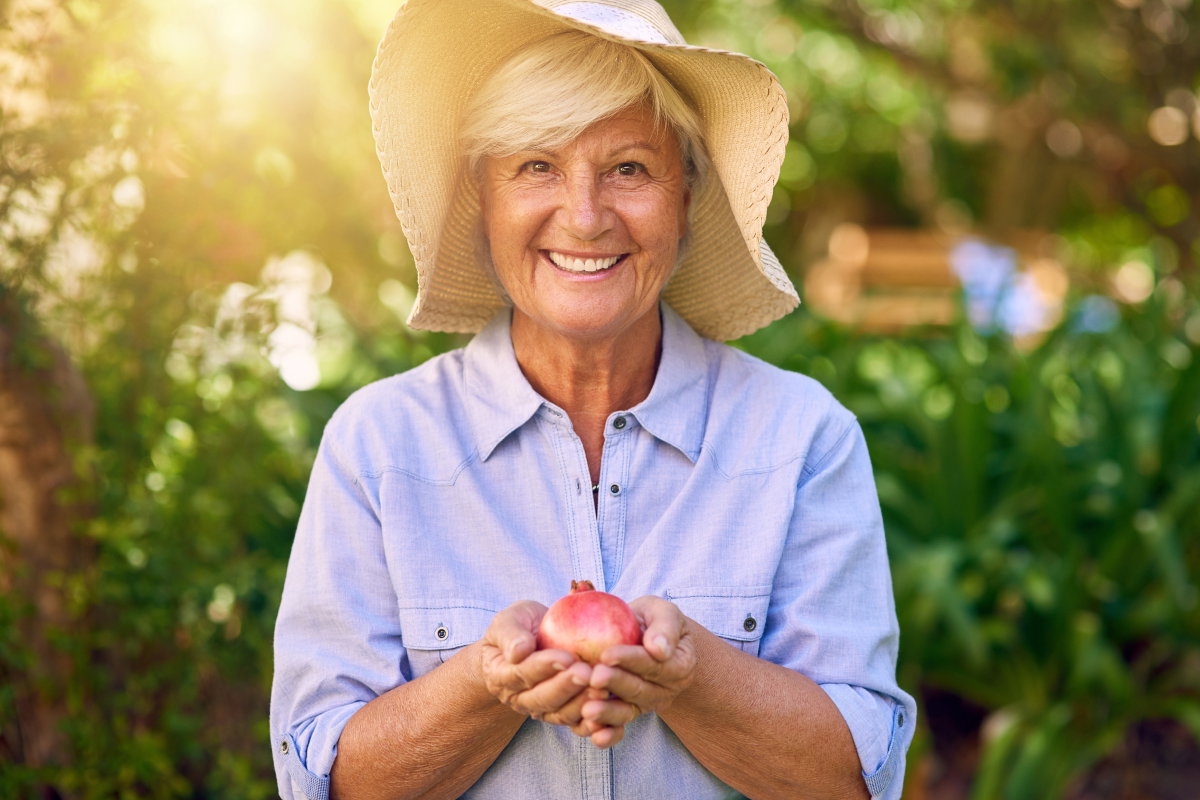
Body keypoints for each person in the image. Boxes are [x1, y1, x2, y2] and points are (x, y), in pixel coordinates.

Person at [270, 0, 916, 798]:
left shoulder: (802, 437)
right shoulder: (378, 446)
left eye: (630, 169)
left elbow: (856, 780)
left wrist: (693, 676)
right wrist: (483, 684)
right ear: (484, 204)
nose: (583, 215)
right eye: (535, 165)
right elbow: (322, 781)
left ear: (687, 198)